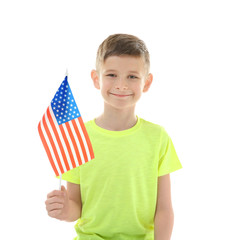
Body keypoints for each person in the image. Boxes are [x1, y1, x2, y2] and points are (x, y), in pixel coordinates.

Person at [45, 33, 183, 240]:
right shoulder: (77, 137)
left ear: (146, 82)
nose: (121, 85)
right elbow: (76, 207)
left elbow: (164, 209)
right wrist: (64, 210)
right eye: (111, 75)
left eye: (132, 76)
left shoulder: (158, 138)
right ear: (96, 79)